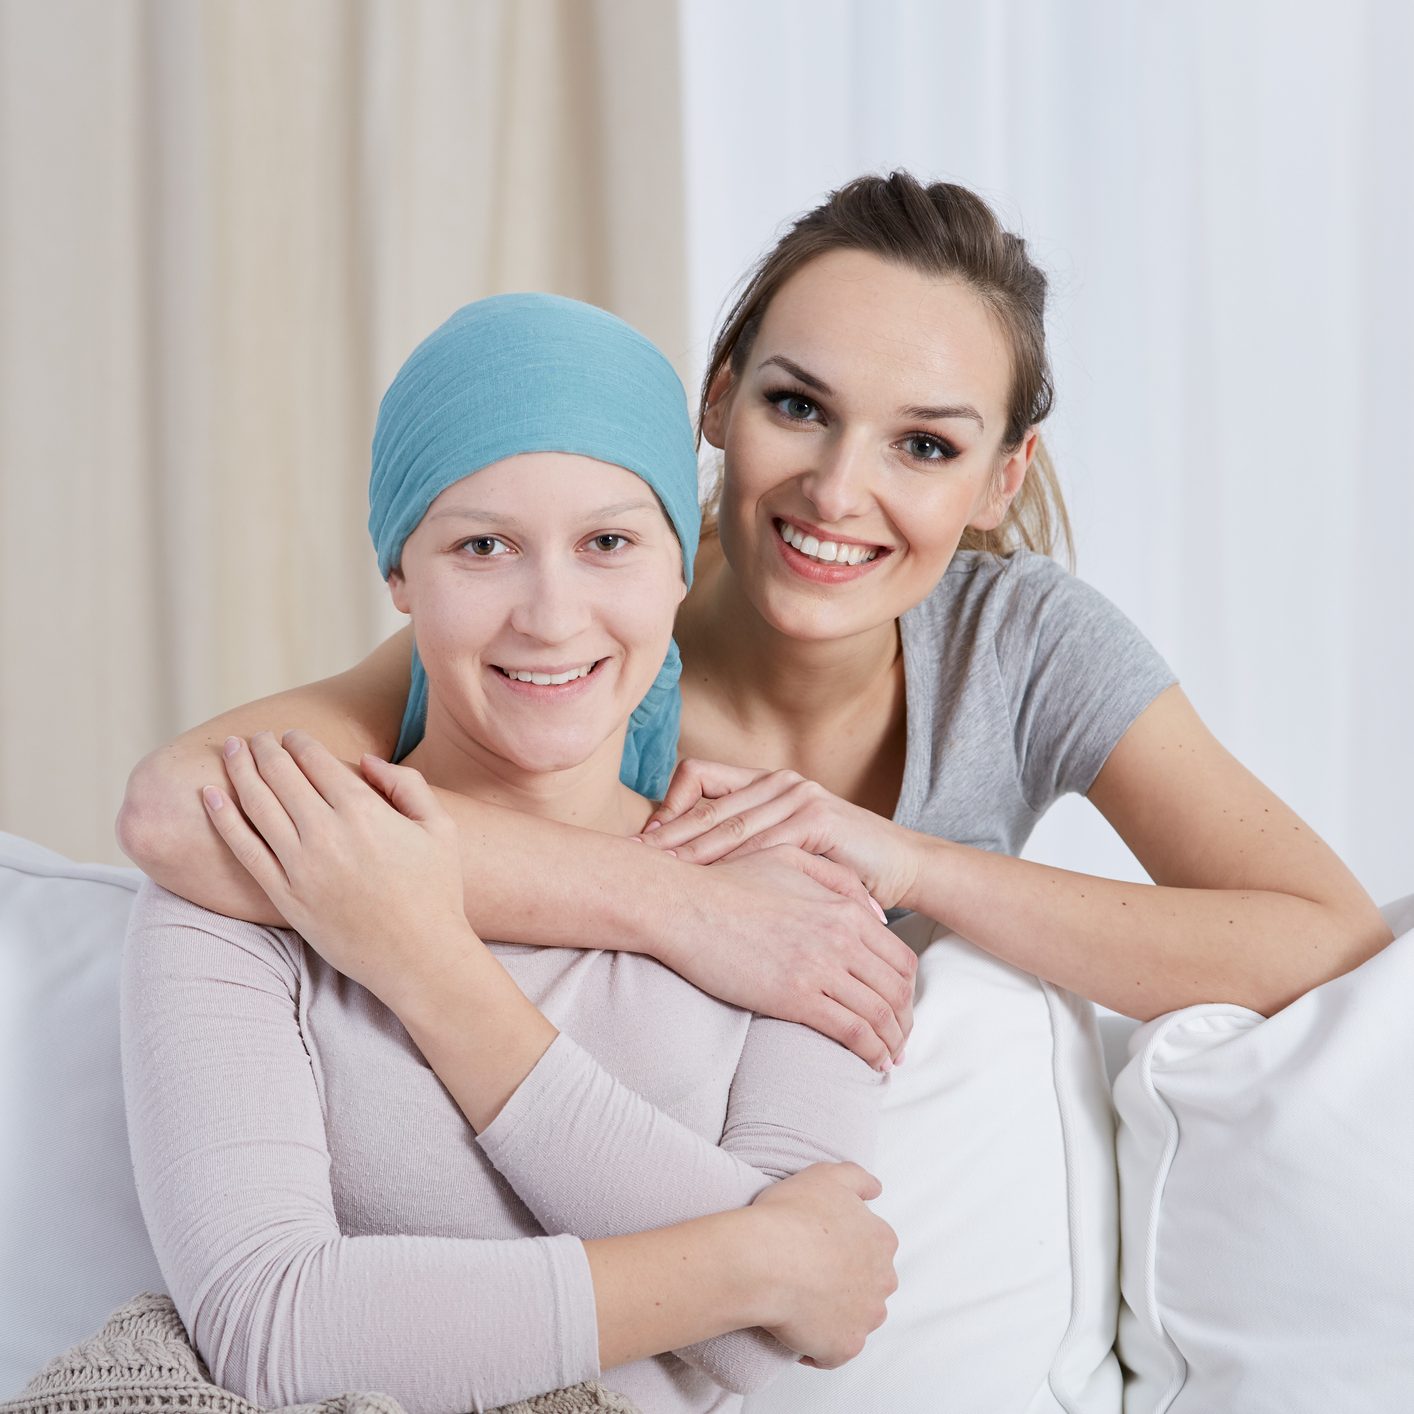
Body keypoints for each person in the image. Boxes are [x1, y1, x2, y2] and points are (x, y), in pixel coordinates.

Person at [118, 171, 1392, 1072]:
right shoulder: (581, 635)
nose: (839, 490)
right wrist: (682, 904)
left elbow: (1320, 935)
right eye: (798, 407)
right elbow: (180, 808)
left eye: (925, 444)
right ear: (718, 399)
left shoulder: (1025, 646)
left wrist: (909, 863)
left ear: (1000, 479)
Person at [121, 293, 895, 1414]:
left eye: (609, 543)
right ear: (401, 576)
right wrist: (755, 1261)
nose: (550, 613)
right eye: (483, 545)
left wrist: (427, 967)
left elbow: (772, 1350)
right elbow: (271, 1325)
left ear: (683, 567)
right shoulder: (241, 879)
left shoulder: (796, 913)